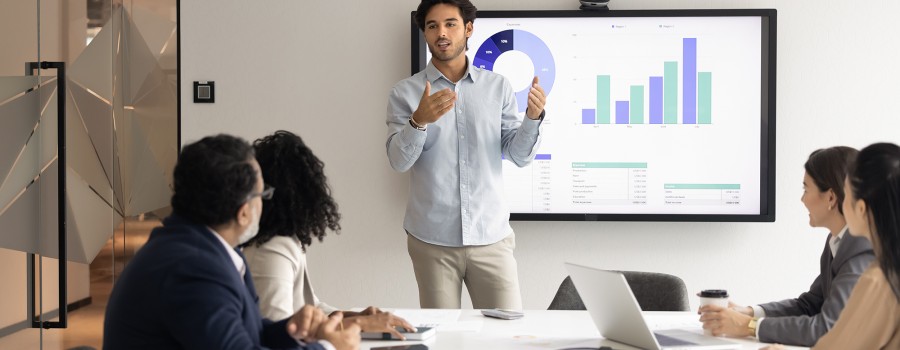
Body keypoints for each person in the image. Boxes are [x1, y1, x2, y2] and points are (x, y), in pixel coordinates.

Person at [103, 134, 360, 350]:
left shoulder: (207, 251)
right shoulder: (192, 269)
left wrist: (292, 330)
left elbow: (251, 333)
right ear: (244, 211)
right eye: (263, 194)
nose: (265, 201)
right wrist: (329, 347)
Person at [385, 0, 546, 310]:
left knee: (505, 335)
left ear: (468, 29)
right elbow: (398, 161)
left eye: (450, 24)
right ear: (424, 33)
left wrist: (532, 118)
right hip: (431, 241)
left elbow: (519, 155)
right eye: (432, 26)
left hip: (492, 239)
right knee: (443, 338)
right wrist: (418, 121)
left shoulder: (497, 87)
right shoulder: (404, 93)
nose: (441, 33)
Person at [243, 130, 416, 340]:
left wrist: (352, 316)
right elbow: (280, 332)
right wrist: (358, 324)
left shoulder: (285, 240)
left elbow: (310, 307)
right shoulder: (272, 249)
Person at [699, 147, 875, 346]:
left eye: (806, 190)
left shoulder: (862, 251)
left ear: (831, 198)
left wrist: (748, 325)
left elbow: (827, 328)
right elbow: (809, 305)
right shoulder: (837, 241)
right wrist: (747, 312)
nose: (802, 199)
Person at [765, 142, 900, 349]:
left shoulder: (877, 279)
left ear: (861, 208)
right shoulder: (883, 270)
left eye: (845, 194)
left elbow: (834, 342)